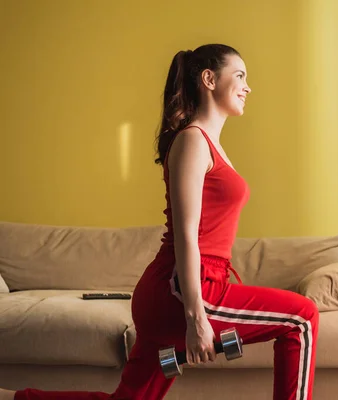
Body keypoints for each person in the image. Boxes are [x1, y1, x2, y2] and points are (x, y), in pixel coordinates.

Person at [0, 44, 320, 400]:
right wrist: (195, 316)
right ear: (209, 79)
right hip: (185, 289)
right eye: (240, 76)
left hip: (176, 290)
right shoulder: (193, 141)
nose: (248, 87)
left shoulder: (209, 143)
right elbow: (186, 235)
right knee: (302, 317)